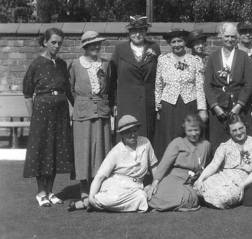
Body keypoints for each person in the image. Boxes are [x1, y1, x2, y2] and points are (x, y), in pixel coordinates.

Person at [23, 28, 74, 207]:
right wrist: (33, 117)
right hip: (41, 112)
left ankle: (51, 191)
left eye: (59, 43)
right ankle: (41, 192)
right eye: (53, 42)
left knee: (56, 149)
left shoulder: (61, 64)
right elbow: (28, 94)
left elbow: (69, 91)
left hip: (60, 111)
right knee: (41, 149)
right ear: (45, 42)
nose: (56, 46)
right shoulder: (36, 64)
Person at [68, 115, 159, 212]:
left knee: (142, 196)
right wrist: (91, 196)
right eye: (128, 132)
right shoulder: (116, 151)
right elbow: (99, 176)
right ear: (122, 134)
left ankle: (96, 204)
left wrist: (154, 183)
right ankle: (91, 201)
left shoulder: (145, 143)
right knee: (114, 200)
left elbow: (153, 165)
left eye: (134, 131)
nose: (132, 134)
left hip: (136, 188)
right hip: (116, 187)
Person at [68, 31, 114, 198]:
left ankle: (100, 186)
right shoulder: (75, 65)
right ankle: (84, 189)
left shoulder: (107, 64)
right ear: (85, 47)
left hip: (102, 112)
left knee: (102, 149)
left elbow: (110, 86)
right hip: (82, 113)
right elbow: (71, 88)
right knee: (83, 150)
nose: (96, 47)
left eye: (98, 43)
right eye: (92, 44)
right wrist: (82, 103)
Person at [154, 28, 207, 159]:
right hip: (168, 104)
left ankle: (190, 166)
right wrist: (158, 105)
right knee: (168, 135)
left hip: (189, 103)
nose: (177, 44)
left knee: (188, 133)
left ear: (185, 42)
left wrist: (202, 109)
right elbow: (158, 84)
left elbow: (200, 86)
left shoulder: (194, 60)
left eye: (180, 41)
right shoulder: (163, 59)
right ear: (169, 44)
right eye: (173, 42)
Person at [193, 114, 252, 209]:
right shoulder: (225, 146)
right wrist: (201, 179)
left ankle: (205, 199)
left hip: (239, 181)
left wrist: (243, 185)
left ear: (245, 125)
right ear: (229, 132)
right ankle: (205, 197)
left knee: (225, 197)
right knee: (201, 185)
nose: (239, 132)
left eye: (241, 128)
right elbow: (213, 165)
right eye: (234, 130)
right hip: (222, 176)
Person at [204, 23, 252, 154]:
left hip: (239, 105)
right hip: (219, 106)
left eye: (233, 36)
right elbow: (207, 85)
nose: (230, 39)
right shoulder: (213, 57)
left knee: (241, 138)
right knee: (219, 140)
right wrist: (215, 106)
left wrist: (239, 105)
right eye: (227, 36)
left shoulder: (243, 56)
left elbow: (249, 83)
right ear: (220, 36)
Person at [147, 113, 211, 212]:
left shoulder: (206, 145)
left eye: (196, 130)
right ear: (184, 130)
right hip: (174, 178)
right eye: (189, 130)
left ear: (201, 129)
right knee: (155, 197)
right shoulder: (177, 142)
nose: (193, 134)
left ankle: (173, 205)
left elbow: (207, 166)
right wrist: (155, 183)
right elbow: (164, 163)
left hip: (191, 181)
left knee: (191, 199)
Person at [111, 15, 161, 142]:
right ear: (129, 33)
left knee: (145, 135)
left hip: (147, 101)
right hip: (126, 101)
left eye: (141, 31)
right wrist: (114, 103)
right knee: (127, 133)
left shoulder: (154, 48)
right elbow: (112, 79)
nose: (137, 34)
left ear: (146, 32)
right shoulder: (120, 49)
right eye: (134, 31)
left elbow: (159, 75)